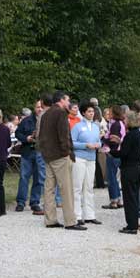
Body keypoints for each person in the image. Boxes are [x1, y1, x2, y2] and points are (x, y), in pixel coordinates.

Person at [37, 91, 85, 230]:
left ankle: (50, 219)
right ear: (61, 100)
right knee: (66, 189)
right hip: (60, 156)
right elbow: (63, 135)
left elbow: (41, 135)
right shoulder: (61, 113)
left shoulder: (45, 114)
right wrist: (67, 153)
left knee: (49, 189)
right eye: (67, 99)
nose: (69, 102)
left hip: (48, 156)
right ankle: (70, 221)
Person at [110, 111, 140, 234]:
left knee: (129, 197)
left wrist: (111, 151)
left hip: (129, 168)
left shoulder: (130, 136)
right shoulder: (139, 134)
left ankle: (131, 225)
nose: (124, 122)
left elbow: (123, 153)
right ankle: (133, 223)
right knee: (134, 195)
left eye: (125, 120)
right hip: (138, 167)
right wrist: (120, 142)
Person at [71, 101, 102, 226]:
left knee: (89, 187)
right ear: (83, 113)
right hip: (79, 158)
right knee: (77, 186)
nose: (91, 113)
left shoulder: (95, 127)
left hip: (92, 158)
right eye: (89, 111)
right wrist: (85, 145)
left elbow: (99, 141)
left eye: (93, 111)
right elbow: (72, 143)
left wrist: (97, 145)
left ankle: (89, 215)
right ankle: (77, 215)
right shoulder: (77, 126)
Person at [14, 99, 45, 214]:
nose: (40, 109)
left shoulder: (47, 120)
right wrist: (26, 138)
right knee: (24, 177)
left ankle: (35, 202)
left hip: (41, 153)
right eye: (37, 107)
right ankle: (21, 202)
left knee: (38, 179)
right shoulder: (26, 121)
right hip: (27, 152)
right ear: (34, 108)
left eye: (41, 107)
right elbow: (18, 133)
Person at [102, 105, 125, 210]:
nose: (109, 113)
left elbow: (113, 140)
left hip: (113, 153)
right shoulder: (121, 123)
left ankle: (114, 200)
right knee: (116, 177)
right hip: (119, 153)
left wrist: (103, 138)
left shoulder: (115, 124)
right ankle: (119, 199)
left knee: (112, 177)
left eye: (110, 112)